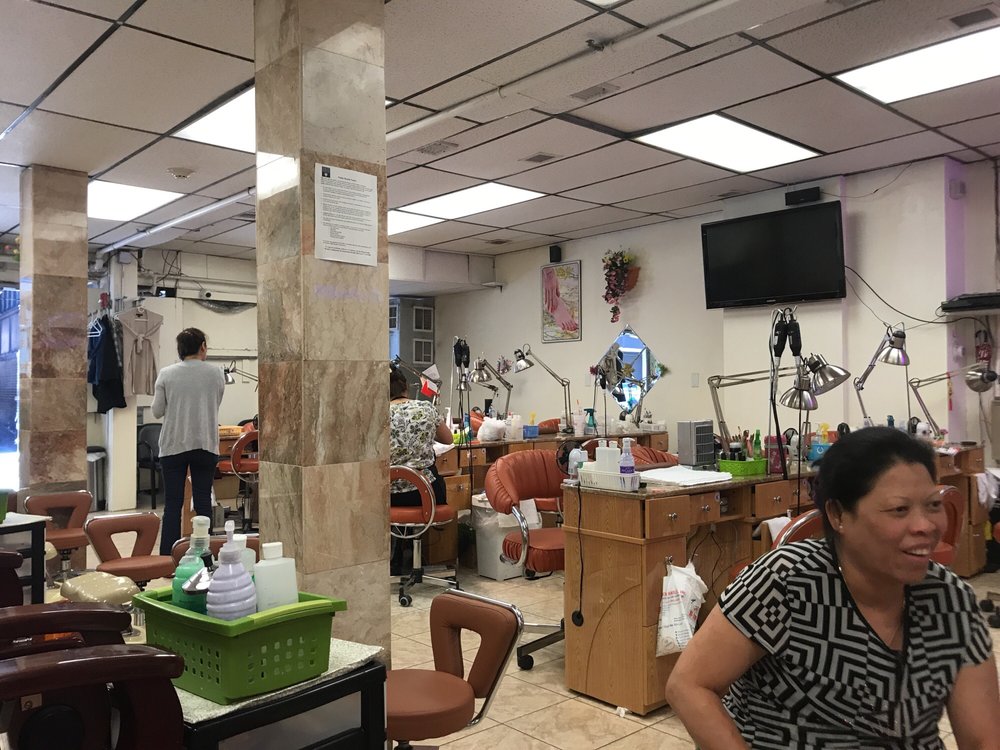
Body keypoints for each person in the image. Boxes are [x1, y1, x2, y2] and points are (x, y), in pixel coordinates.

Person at [665, 427, 998, 749]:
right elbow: (688, 685)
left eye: (933, 505)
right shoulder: (788, 582)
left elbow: (983, 738)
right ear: (838, 515)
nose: (925, 525)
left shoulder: (950, 600)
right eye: (899, 509)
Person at [152, 328, 225, 555]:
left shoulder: (166, 374)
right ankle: (204, 555)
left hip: (173, 445)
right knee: (203, 501)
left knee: (173, 505)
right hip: (205, 443)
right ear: (203, 346)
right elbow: (216, 402)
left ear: (180, 349)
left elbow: (157, 411)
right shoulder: (216, 373)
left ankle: (168, 557)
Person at [389, 367, 452, 508]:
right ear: (406, 386)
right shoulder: (427, 408)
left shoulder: (379, 414)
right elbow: (448, 439)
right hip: (427, 493)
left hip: (390, 496)